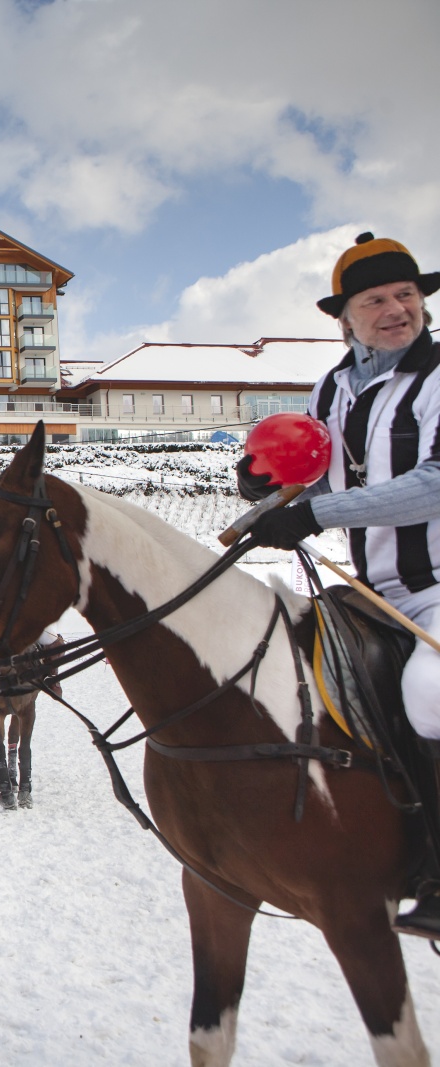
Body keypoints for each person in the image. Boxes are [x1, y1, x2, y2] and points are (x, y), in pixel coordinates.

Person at [238, 231, 440, 938]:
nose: (397, 309)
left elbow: (434, 483)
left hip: (436, 587)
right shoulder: (334, 385)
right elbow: (319, 470)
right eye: (377, 299)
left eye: (407, 295)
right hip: (368, 585)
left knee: (429, 688)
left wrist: (318, 511)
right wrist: (269, 489)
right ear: (345, 318)